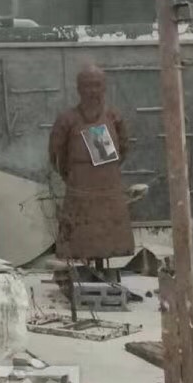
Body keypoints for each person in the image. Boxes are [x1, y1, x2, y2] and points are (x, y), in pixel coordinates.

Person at [48, 63, 134, 262]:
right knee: (78, 239)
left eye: (97, 85)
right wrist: (74, 174)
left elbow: (124, 147)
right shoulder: (67, 119)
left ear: (104, 87)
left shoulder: (113, 117)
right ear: (79, 89)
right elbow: (56, 154)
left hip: (109, 190)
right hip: (79, 190)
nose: (93, 91)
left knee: (112, 239)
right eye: (88, 85)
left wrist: (107, 171)